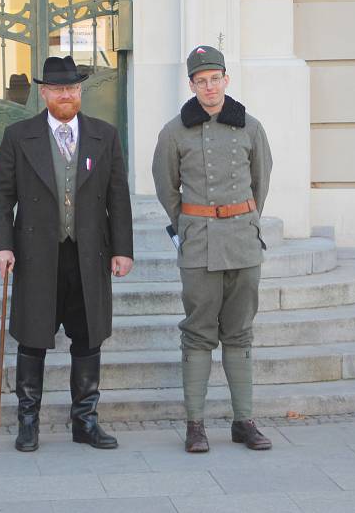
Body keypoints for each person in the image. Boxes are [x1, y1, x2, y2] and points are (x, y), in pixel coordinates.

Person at [0, 56, 133, 452]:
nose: (66, 95)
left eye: (72, 89)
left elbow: (118, 197)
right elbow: (1, 195)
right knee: (33, 338)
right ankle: (28, 423)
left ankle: (84, 421)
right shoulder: (19, 136)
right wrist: (2, 244)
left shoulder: (105, 135)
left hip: (89, 255)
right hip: (37, 256)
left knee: (88, 339)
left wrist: (123, 250)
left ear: (79, 92)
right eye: (58, 89)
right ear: (45, 93)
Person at [152, 45, 273, 453]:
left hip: (242, 242)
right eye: (201, 81)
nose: (209, 87)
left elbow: (262, 182)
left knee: (239, 334)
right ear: (191, 85)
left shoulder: (251, 127)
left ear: (226, 79)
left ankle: (244, 421)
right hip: (200, 246)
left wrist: (245, 221)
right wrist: (190, 225)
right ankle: (195, 424)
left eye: (215, 78)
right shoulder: (173, 132)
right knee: (199, 333)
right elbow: (167, 188)